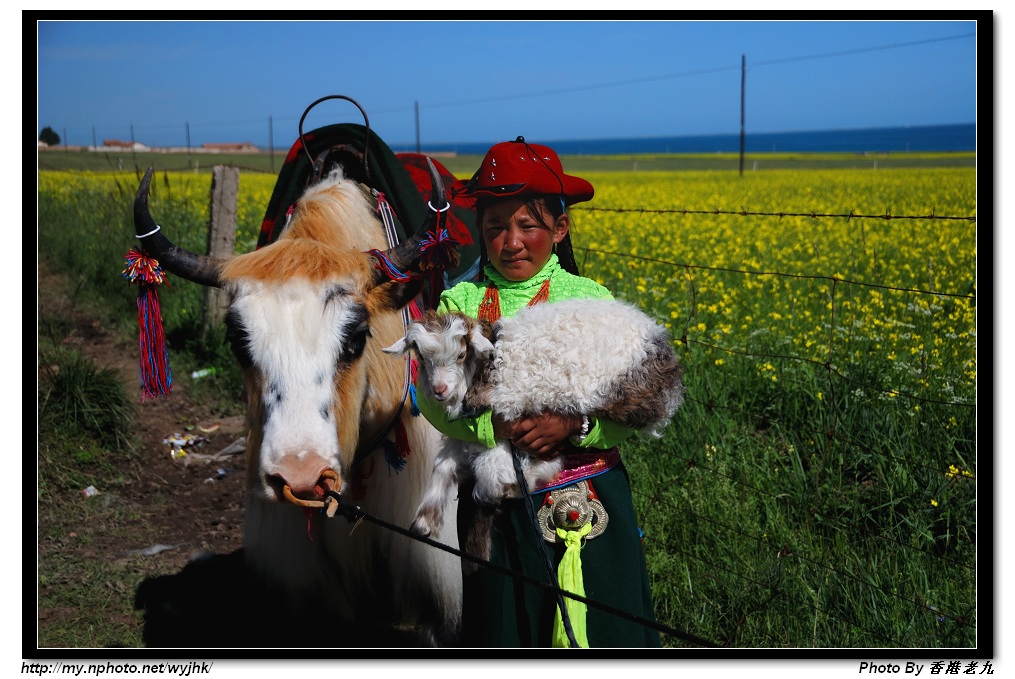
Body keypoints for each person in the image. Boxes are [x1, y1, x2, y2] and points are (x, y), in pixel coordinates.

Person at [414, 136, 662, 648]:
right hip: (495, 508)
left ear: (560, 227)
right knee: (507, 627)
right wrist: (490, 425)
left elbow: (633, 400)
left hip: (592, 497)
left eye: (528, 225)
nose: (511, 242)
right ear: (479, 232)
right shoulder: (460, 301)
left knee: (603, 626)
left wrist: (576, 426)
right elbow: (430, 399)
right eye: (495, 228)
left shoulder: (589, 301)